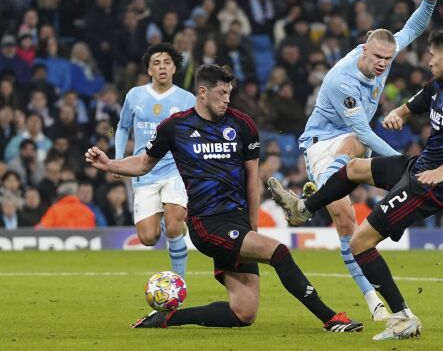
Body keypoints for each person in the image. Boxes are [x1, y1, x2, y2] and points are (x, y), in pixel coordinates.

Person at [85, 64, 362, 332]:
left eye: (229, 93)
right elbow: (144, 163)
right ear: (202, 93)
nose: (227, 100)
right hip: (207, 224)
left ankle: (166, 319)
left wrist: (253, 228)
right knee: (279, 252)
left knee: (243, 313)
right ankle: (331, 318)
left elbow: (251, 180)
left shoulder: (243, 125)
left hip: (238, 222)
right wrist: (110, 164)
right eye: (221, 93)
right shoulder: (175, 127)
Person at [268, 27, 443, 340]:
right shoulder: (439, 84)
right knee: (356, 168)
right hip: (420, 167)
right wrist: (397, 113)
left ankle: (402, 317)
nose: (428, 61)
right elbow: (410, 105)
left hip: (434, 183)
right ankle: (303, 208)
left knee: (360, 242)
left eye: (433, 56)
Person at [296, 0, 438, 321]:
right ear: (364, 50)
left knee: (354, 225)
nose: (382, 64)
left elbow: (413, 28)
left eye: (387, 59)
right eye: (377, 58)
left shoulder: (385, 56)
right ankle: (374, 301)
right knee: (348, 217)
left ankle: (317, 197)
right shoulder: (341, 80)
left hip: (351, 146)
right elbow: (361, 131)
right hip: (321, 145)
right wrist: (402, 165)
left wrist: (428, 2)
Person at [114, 43, 196, 278]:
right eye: (156, 63)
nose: (162, 67)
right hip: (144, 172)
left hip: (174, 171)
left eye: (167, 63)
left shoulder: (186, 100)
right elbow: (121, 128)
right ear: (149, 70)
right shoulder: (135, 95)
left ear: (174, 68)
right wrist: (119, 159)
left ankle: (179, 282)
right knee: (148, 238)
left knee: (173, 227)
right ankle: (171, 220)